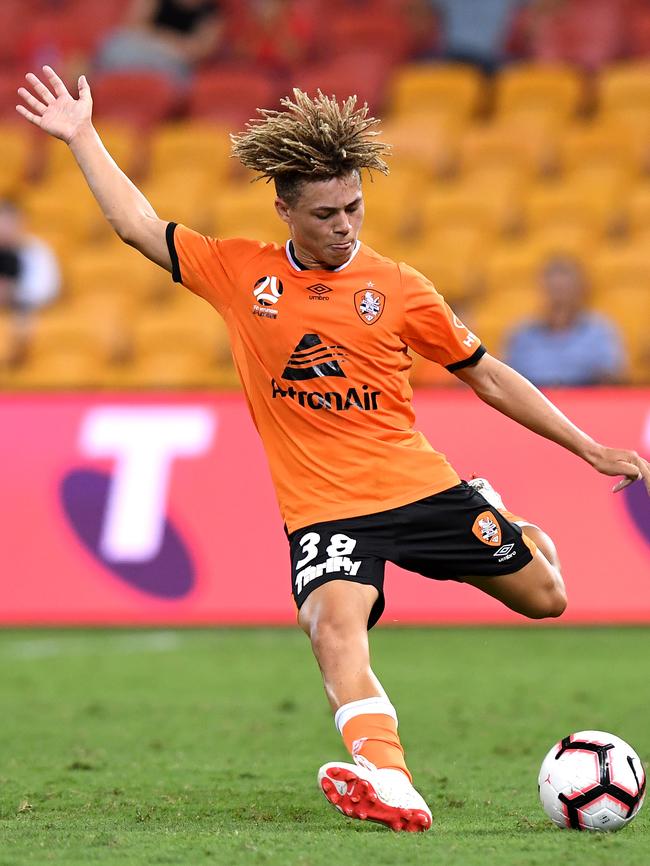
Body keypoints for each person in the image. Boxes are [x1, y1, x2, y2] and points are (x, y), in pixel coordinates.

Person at [16, 66, 650, 834]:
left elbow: (488, 377)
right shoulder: (241, 272)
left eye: (353, 207)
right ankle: (391, 779)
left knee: (547, 598)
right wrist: (82, 135)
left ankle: (496, 516)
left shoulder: (401, 288)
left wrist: (588, 448)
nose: (345, 225)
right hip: (323, 510)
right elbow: (138, 227)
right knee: (332, 627)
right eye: (324, 214)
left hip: (420, 488)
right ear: (283, 208)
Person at [505, 256, 626, 387]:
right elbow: (507, 380)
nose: (559, 297)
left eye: (565, 289)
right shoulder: (522, 334)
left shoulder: (600, 332)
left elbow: (612, 377)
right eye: (554, 289)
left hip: (586, 400)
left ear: (580, 290)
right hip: (531, 400)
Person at [96, 0, 222, 85]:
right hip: (141, 49)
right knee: (117, 46)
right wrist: (172, 42)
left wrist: (159, 39)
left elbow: (200, 51)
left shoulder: (212, 10)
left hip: (174, 63)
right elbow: (132, 26)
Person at [0, 199, 61, 314]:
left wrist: (12, 292)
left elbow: (46, 290)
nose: (4, 229)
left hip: (30, 313)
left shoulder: (37, 250)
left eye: (9, 223)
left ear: (21, 222)